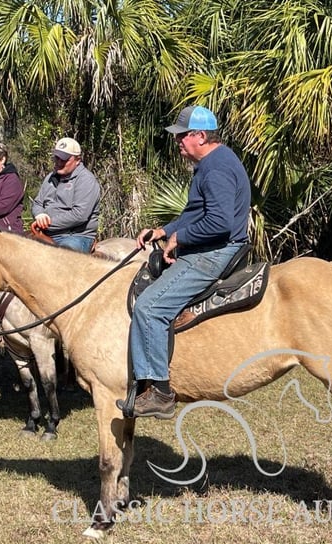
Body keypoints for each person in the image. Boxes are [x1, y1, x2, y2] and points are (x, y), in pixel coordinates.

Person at [118, 105, 252, 420]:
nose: (177, 142)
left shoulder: (216, 168)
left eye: (182, 136)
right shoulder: (212, 163)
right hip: (212, 245)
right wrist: (165, 230)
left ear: (201, 136)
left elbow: (218, 222)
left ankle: (160, 393)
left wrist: (181, 238)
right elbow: (196, 212)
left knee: (149, 306)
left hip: (216, 251)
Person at [31, 137, 101, 253]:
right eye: (57, 158)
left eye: (64, 159)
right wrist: (39, 215)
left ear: (77, 160)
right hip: (46, 232)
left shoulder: (86, 180)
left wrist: (48, 223)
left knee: (62, 258)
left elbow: (80, 215)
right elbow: (38, 202)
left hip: (75, 236)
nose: (59, 162)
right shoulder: (50, 177)